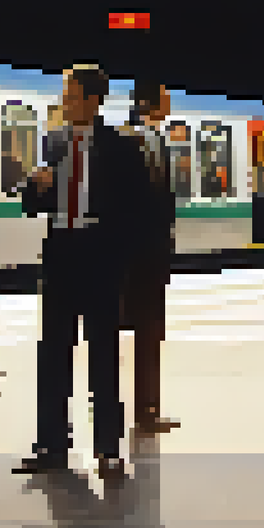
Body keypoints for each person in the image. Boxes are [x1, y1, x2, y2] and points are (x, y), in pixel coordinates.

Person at [13, 66, 146, 477]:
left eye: (71, 95)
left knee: (103, 353)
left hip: (100, 256)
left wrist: (121, 260)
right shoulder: (53, 142)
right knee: (53, 353)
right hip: (61, 255)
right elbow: (32, 205)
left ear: (92, 99)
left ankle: (108, 449)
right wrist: (35, 187)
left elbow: (136, 209)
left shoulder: (121, 147)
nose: (65, 102)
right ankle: (51, 445)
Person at [120, 78, 179, 435]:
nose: (169, 103)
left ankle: (148, 408)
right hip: (138, 252)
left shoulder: (156, 140)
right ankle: (141, 410)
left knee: (150, 331)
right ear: (148, 103)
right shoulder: (130, 140)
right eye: (165, 98)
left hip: (152, 252)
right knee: (144, 330)